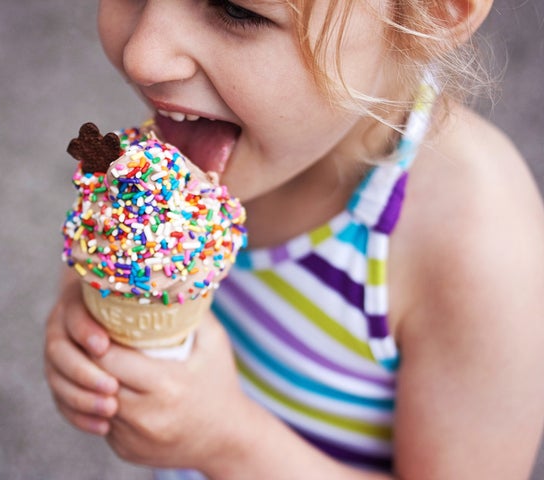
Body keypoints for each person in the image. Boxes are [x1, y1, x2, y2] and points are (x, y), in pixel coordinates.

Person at [44, 0, 544, 478]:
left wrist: (226, 440)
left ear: (432, 14)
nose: (143, 56)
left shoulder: (480, 250)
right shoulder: (198, 133)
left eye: (237, 9)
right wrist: (88, 296)